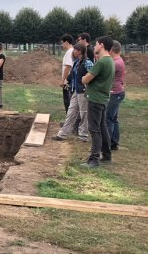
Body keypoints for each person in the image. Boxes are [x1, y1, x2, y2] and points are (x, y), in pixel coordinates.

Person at [80, 36, 115, 168]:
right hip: (103, 99)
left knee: (94, 129)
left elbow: (85, 79)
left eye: (96, 44)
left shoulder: (101, 62)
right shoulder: (110, 60)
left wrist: (84, 77)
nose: (94, 47)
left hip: (95, 99)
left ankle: (94, 159)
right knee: (102, 127)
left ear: (101, 45)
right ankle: (106, 154)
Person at [53, 43, 93, 141]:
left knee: (84, 113)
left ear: (79, 51)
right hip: (76, 90)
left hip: (83, 91)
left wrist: (85, 85)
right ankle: (62, 134)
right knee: (71, 112)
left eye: (75, 50)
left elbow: (92, 76)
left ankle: (83, 135)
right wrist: (67, 81)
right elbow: (72, 75)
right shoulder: (76, 62)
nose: (73, 51)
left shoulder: (87, 63)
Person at [106, 40, 126, 151]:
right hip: (117, 92)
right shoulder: (117, 60)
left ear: (112, 49)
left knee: (108, 119)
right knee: (113, 118)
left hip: (115, 93)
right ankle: (113, 143)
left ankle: (107, 144)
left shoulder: (115, 63)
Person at [60, 34, 75, 114]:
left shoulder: (69, 52)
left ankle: (69, 123)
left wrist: (63, 80)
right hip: (70, 80)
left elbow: (68, 67)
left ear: (66, 42)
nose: (62, 45)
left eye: (62, 43)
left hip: (68, 81)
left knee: (68, 102)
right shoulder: (72, 51)